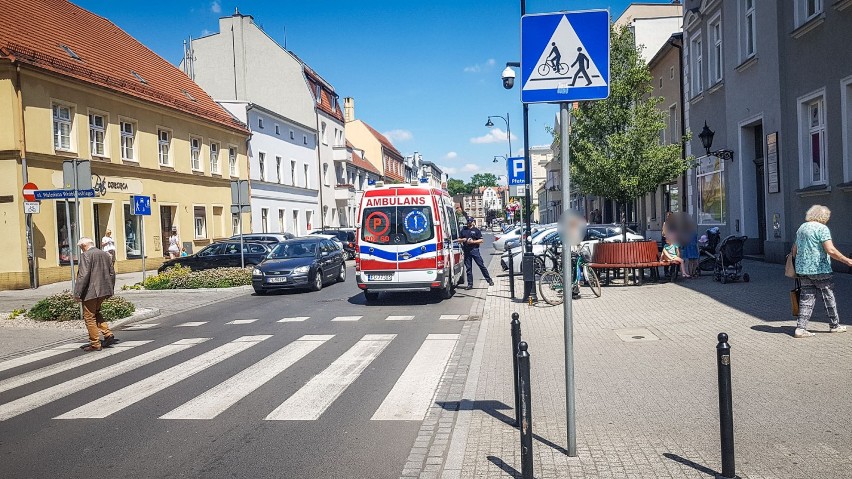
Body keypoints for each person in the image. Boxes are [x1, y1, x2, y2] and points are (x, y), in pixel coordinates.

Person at [791, 205, 852, 338]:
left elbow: (794, 250)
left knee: (806, 298)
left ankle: (800, 328)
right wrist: (847, 261)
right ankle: (834, 325)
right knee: (828, 296)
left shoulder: (802, 228)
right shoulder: (822, 228)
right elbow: (830, 250)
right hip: (820, 269)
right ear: (823, 217)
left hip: (803, 270)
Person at [73, 237, 118, 352]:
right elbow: (112, 273)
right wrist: (110, 289)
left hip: (91, 291)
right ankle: (107, 334)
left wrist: (78, 293)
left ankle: (95, 343)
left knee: (89, 317)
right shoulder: (105, 254)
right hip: (104, 290)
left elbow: (83, 275)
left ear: (84, 245)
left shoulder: (86, 255)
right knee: (96, 312)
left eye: (81, 247)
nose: (81, 250)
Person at [458, 218, 493, 289]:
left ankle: (489, 280)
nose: (468, 223)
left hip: (474, 250)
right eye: (468, 222)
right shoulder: (463, 230)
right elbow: (458, 239)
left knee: (481, 265)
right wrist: (463, 240)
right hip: (467, 250)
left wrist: (473, 242)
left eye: (470, 222)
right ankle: (470, 284)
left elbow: (481, 240)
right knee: (468, 268)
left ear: (472, 222)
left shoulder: (476, 230)